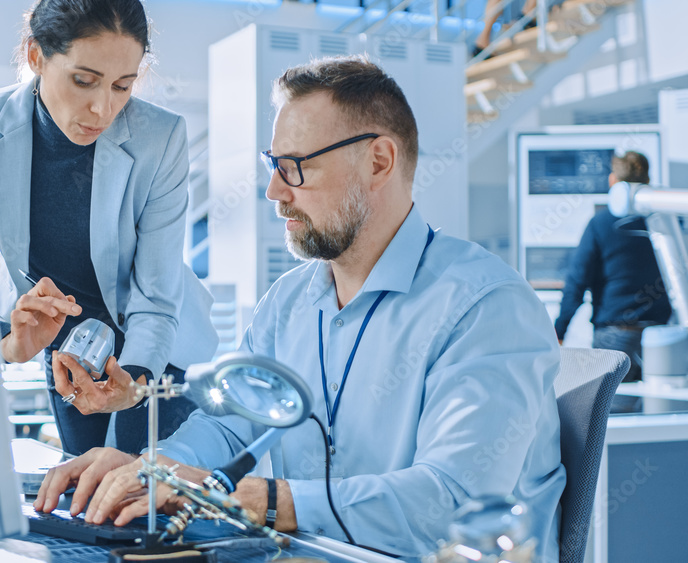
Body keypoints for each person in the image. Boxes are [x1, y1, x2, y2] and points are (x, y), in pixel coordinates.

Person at [34, 56, 566, 561]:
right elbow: (226, 426)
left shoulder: (486, 307)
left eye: (294, 168)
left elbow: (453, 504)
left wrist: (259, 499)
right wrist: (151, 471)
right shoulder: (289, 301)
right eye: (273, 165)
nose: (273, 191)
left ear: (378, 161)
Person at [0, 0, 218, 456]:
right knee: (84, 498)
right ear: (36, 56)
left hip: (157, 351)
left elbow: (156, 295)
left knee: (142, 494)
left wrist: (133, 382)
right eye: (83, 80)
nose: (103, 108)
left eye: (122, 86)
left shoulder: (160, 137)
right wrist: (7, 347)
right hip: (69, 346)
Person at [554, 151, 671, 382]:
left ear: (613, 182)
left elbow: (577, 282)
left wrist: (559, 331)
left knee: (614, 412)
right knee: (662, 410)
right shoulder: (666, 222)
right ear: (646, 181)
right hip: (662, 336)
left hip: (615, 336)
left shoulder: (600, 224)